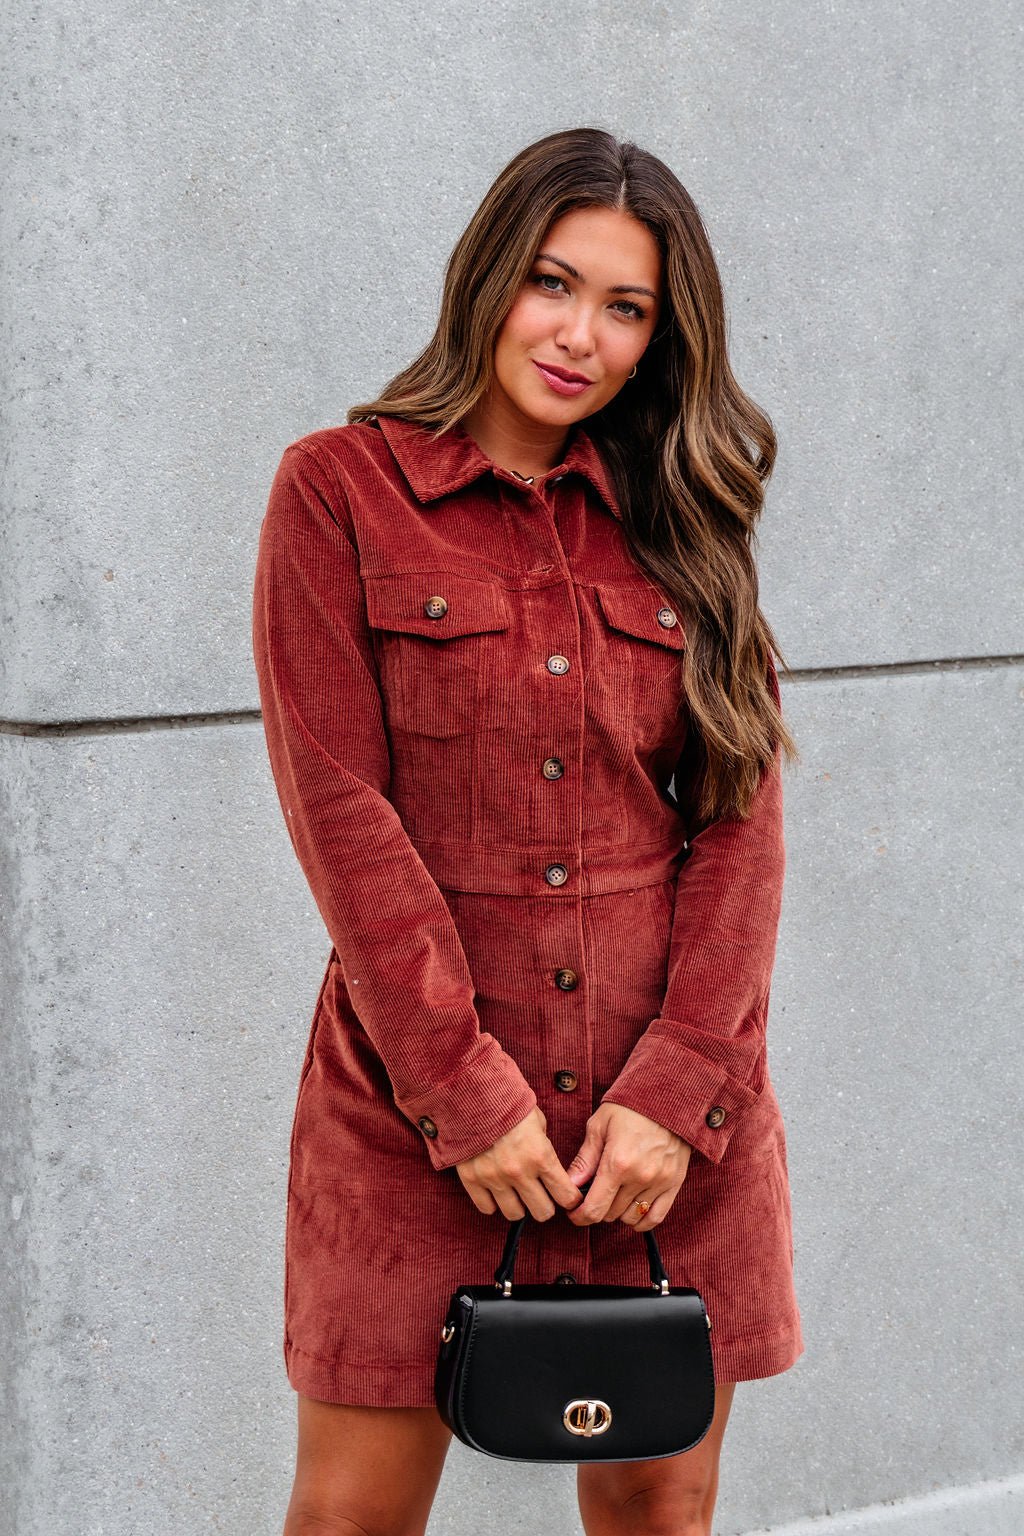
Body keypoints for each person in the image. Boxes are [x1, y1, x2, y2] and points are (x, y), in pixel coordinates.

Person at [252, 125, 804, 1536]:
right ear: (490, 277)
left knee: (657, 1514)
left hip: (665, 1121)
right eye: (555, 285)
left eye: (627, 308)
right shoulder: (338, 492)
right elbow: (343, 816)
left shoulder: (684, 522)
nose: (581, 337)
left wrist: (677, 1097)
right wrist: (465, 1094)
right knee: (350, 1518)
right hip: (410, 1108)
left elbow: (739, 827)